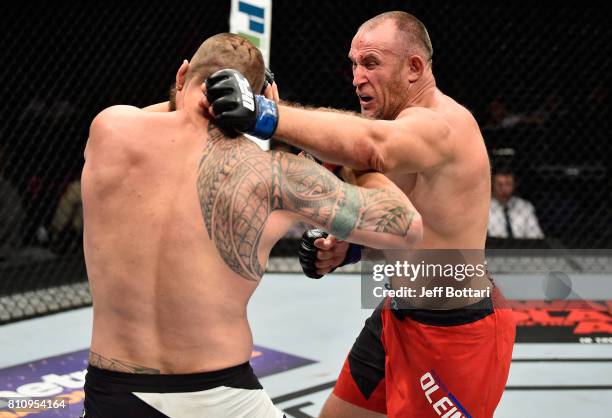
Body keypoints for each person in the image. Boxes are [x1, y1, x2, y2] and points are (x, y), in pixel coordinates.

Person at [81, 33, 422, 418]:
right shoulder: (273, 174)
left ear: (182, 75)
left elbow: (164, 114)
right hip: (222, 399)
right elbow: (406, 225)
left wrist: (198, 95)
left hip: (112, 397)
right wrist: (336, 152)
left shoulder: (109, 130)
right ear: (259, 99)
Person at [204, 11, 516, 418]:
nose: (356, 77)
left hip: (456, 336)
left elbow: (371, 149)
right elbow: (418, 224)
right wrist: (351, 250)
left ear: (414, 68)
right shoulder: (396, 123)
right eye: (353, 64)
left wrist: (266, 115)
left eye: (370, 63)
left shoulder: (442, 125)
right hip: (396, 316)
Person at [488, 168, 544, 239]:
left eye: (508, 184)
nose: (504, 189)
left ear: (514, 184)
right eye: (500, 185)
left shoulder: (525, 206)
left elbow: (536, 236)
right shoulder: (485, 207)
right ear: (492, 185)